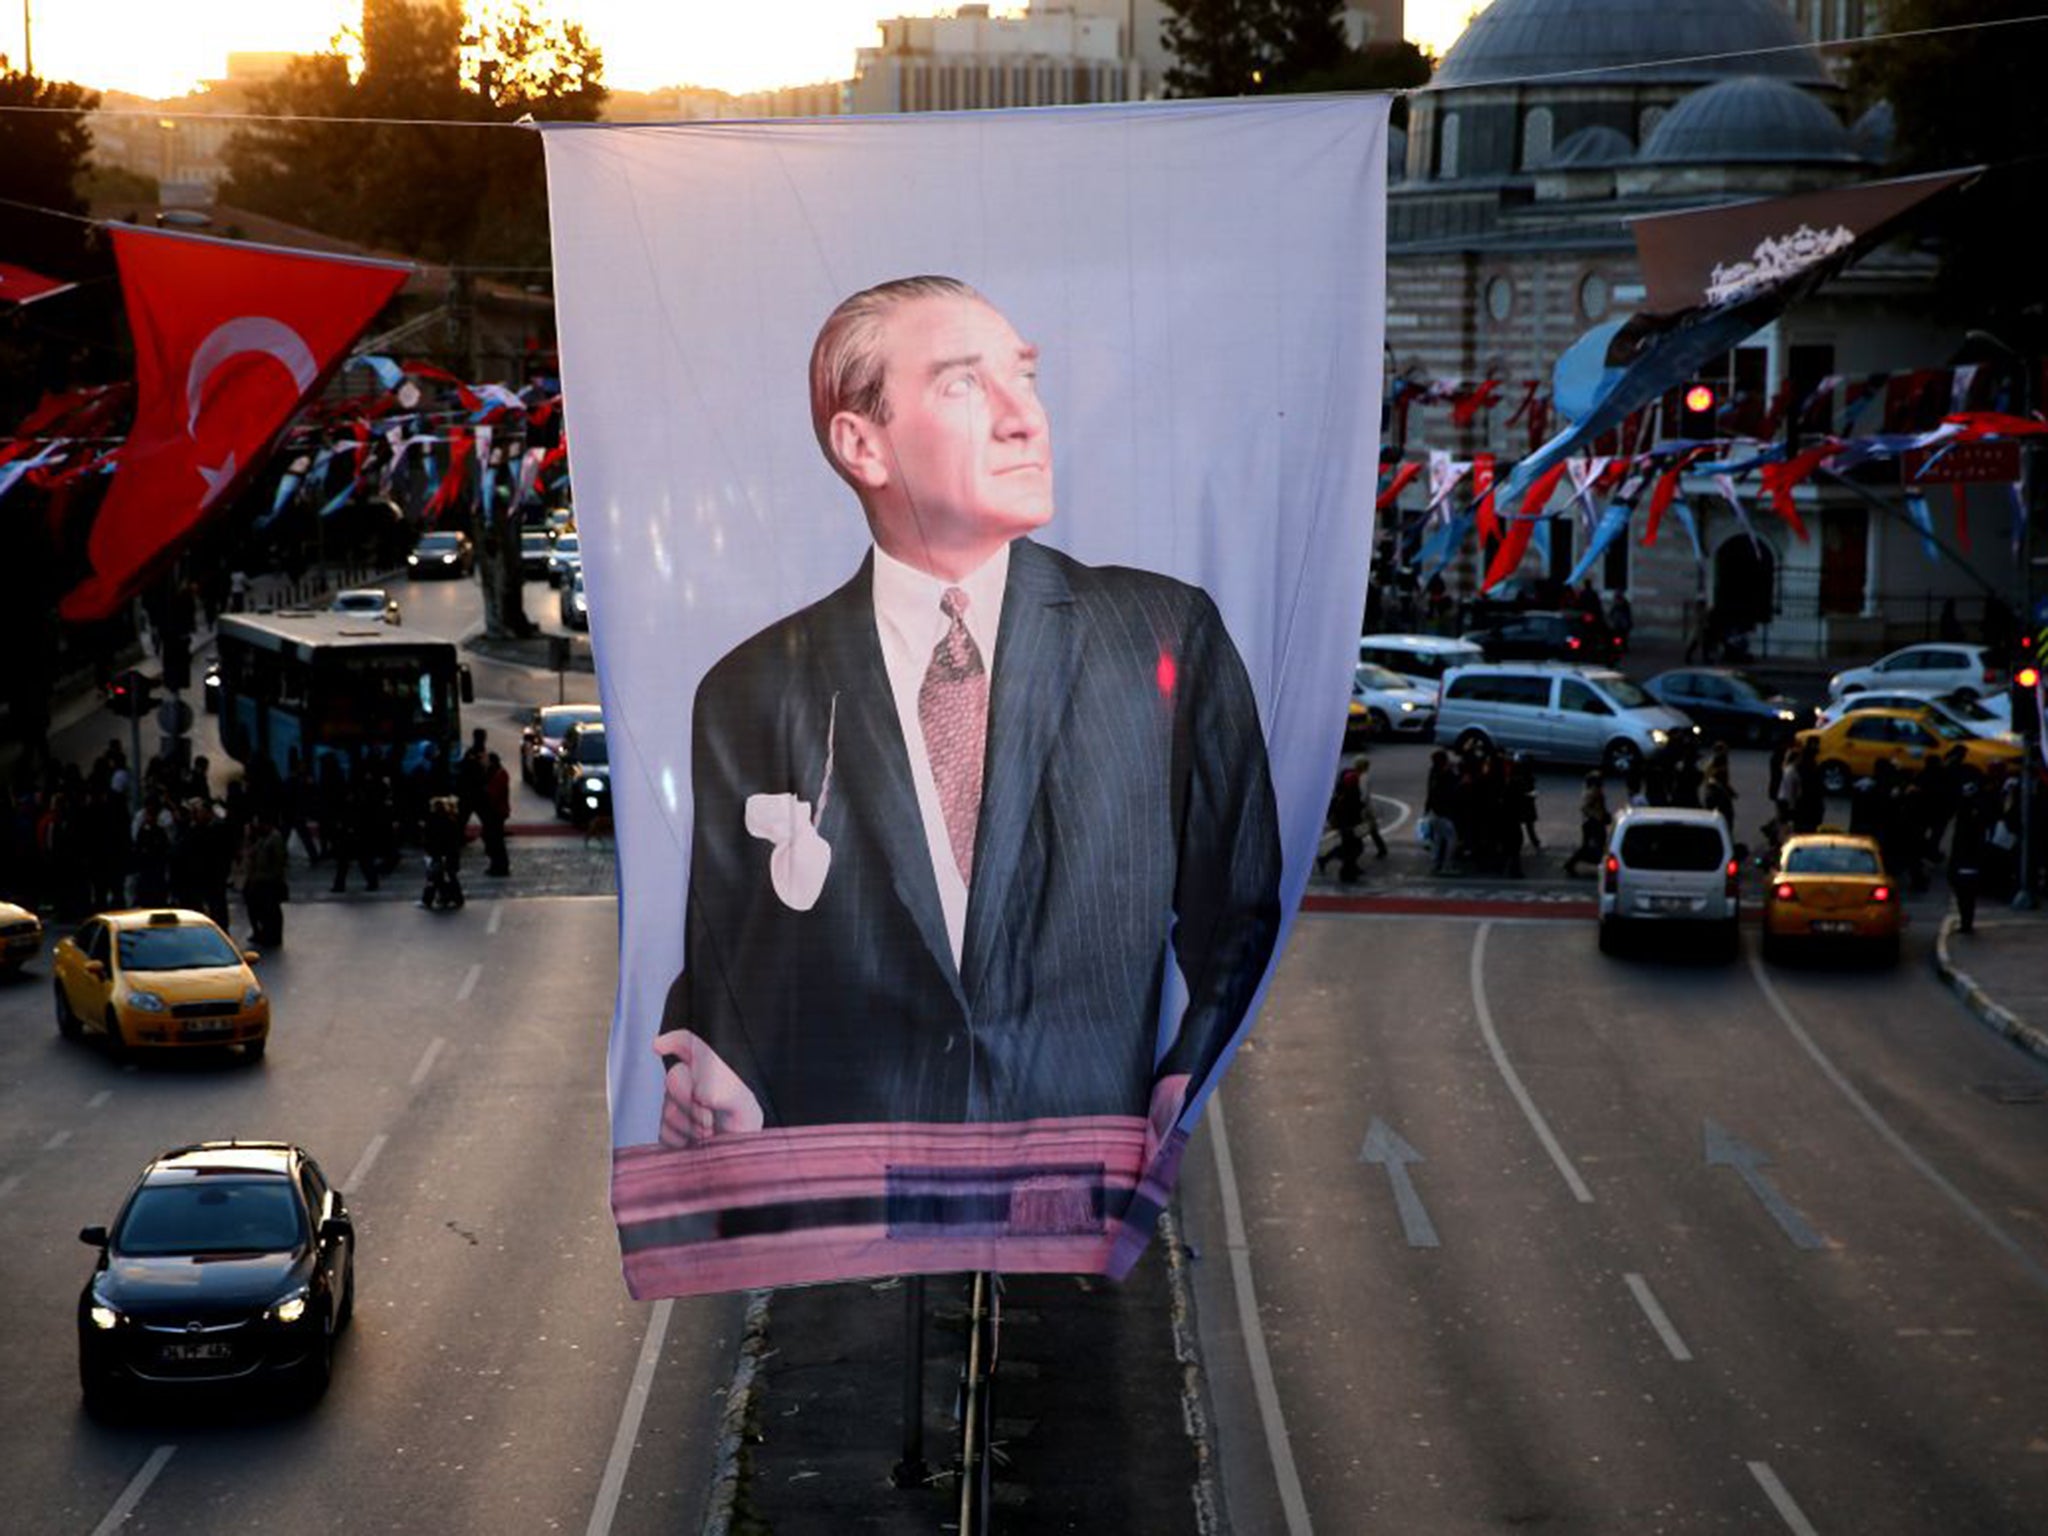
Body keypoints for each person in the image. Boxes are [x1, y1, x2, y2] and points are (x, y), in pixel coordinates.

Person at [654, 275, 1282, 1140]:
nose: (1026, 417)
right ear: (862, 445)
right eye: (962, 384)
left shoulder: (1164, 635)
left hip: (1085, 1196)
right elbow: (729, 954)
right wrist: (707, 1066)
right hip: (854, 1213)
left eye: (1024, 377)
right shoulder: (750, 690)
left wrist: (1187, 1069)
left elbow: (1237, 905)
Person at [240, 810, 288, 948]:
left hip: (268, 881)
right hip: (258, 879)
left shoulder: (274, 839)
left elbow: (279, 861)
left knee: (271, 910)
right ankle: (263, 932)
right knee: (257, 908)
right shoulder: (263, 837)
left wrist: (273, 877)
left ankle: (272, 935)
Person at [1563, 771, 1611, 877]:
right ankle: (1570, 864)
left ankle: (1571, 864)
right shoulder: (1593, 792)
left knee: (1592, 846)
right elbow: (1585, 808)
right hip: (1593, 824)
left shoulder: (1594, 791)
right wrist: (1597, 817)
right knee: (1594, 847)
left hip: (1594, 823)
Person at [480, 751, 512, 878]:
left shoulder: (499, 774)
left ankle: (500, 865)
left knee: (496, 840)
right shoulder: (492, 772)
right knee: (493, 839)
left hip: (496, 811)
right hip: (493, 811)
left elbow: (494, 793)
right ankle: (496, 864)